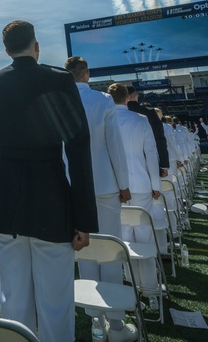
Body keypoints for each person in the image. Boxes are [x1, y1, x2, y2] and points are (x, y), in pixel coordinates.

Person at [0, 20, 97, 342]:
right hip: (50, 196)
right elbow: (78, 149)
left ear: (6, 50)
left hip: (5, 198)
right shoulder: (59, 79)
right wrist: (84, 218)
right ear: (36, 46)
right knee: (55, 302)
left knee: (14, 297)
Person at [65, 57, 132, 340]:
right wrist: (124, 183)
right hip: (104, 182)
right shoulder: (103, 100)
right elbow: (114, 144)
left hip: (71, 184)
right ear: (88, 74)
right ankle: (115, 322)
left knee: (84, 249)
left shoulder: (59, 101)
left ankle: (94, 318)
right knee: (110, 250)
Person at [108, 83, 163, 291]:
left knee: (124, 236)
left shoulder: (107, 119)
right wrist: (155, 184)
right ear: (127, 98)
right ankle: (149, 286)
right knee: (144, 235)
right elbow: (151, 153)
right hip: (141, 183)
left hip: (116, 186)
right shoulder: (140, 119)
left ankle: (130, 284)